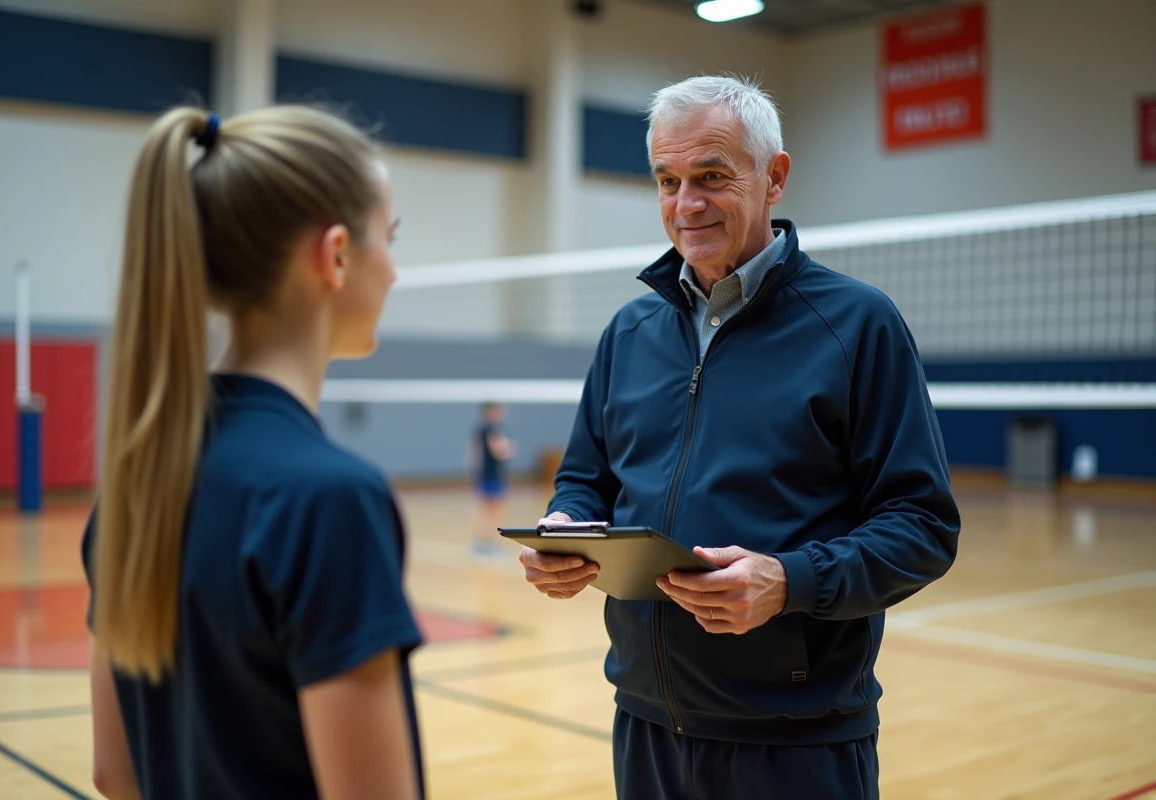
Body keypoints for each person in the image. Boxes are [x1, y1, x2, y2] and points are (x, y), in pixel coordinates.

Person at [518, 75, 960, 798]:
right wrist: (566, 530)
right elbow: (584, 479)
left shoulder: (857, 326)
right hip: (646, 724)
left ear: (775, 177)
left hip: (795, 740)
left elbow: (923, 528)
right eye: (668, 180)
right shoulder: (629, 332)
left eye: (712, 177)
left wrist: (788, 581)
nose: (686, 205)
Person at [81, 106, 423, 800]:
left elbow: (114, 776)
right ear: (333, 256)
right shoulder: (327, 500)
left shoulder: (136, 482)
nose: (394, 271)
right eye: (388, 239)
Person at [469, 402, 517, 558]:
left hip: (487, 474)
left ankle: (481, 543)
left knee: (486, 509)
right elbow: (499, 450)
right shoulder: (493, 429)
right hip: (491, 475)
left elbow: (472, 452)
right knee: (493, 510)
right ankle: (488, 544)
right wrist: (510, 448)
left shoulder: (482, 429)